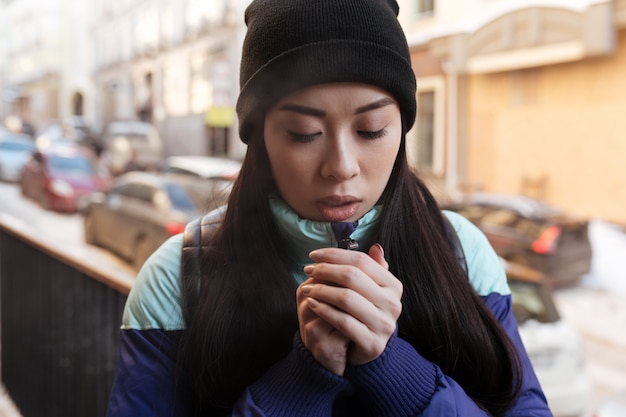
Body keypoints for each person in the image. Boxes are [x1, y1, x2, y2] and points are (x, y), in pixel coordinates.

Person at [106, 0, 553, 416]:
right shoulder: (180, 276)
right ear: (259, 136)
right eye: (303, 132)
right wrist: (300, 381)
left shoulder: (461, 252)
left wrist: (397, 371)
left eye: (372, 129)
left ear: (401, 129)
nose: (341, 167)